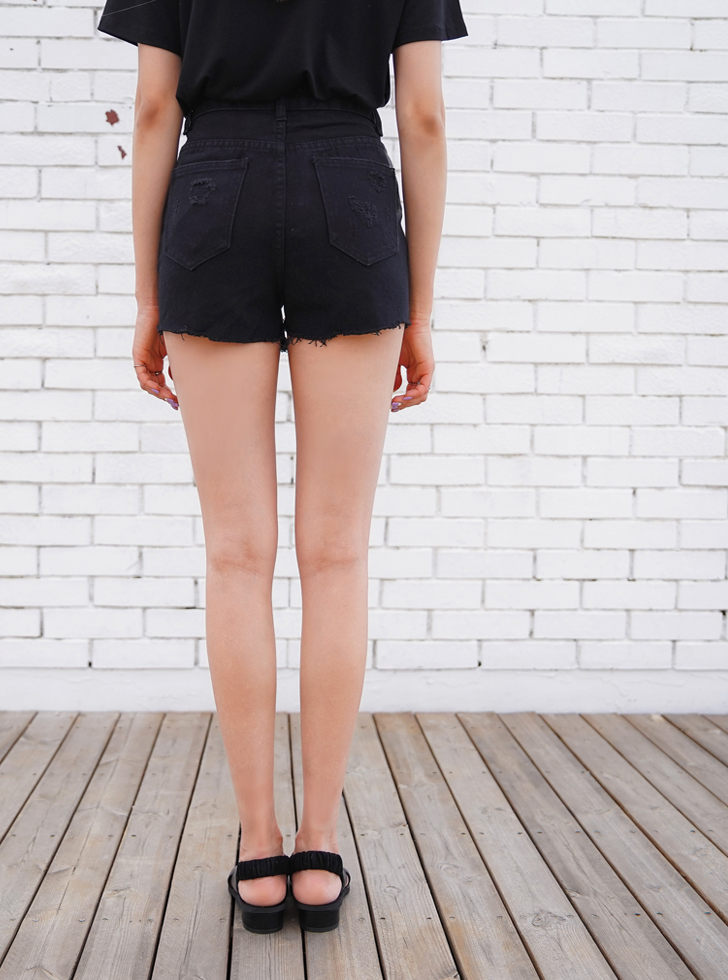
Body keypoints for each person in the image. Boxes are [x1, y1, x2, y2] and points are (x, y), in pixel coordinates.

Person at [97, 0, 467, 935]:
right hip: (349, 192)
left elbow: (155, 107)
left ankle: (259, 849)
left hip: (213, 194)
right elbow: (422, 115)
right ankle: (319, 845)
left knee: (236, 553)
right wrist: (421, 311)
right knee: (336, 553)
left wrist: (146, 299)